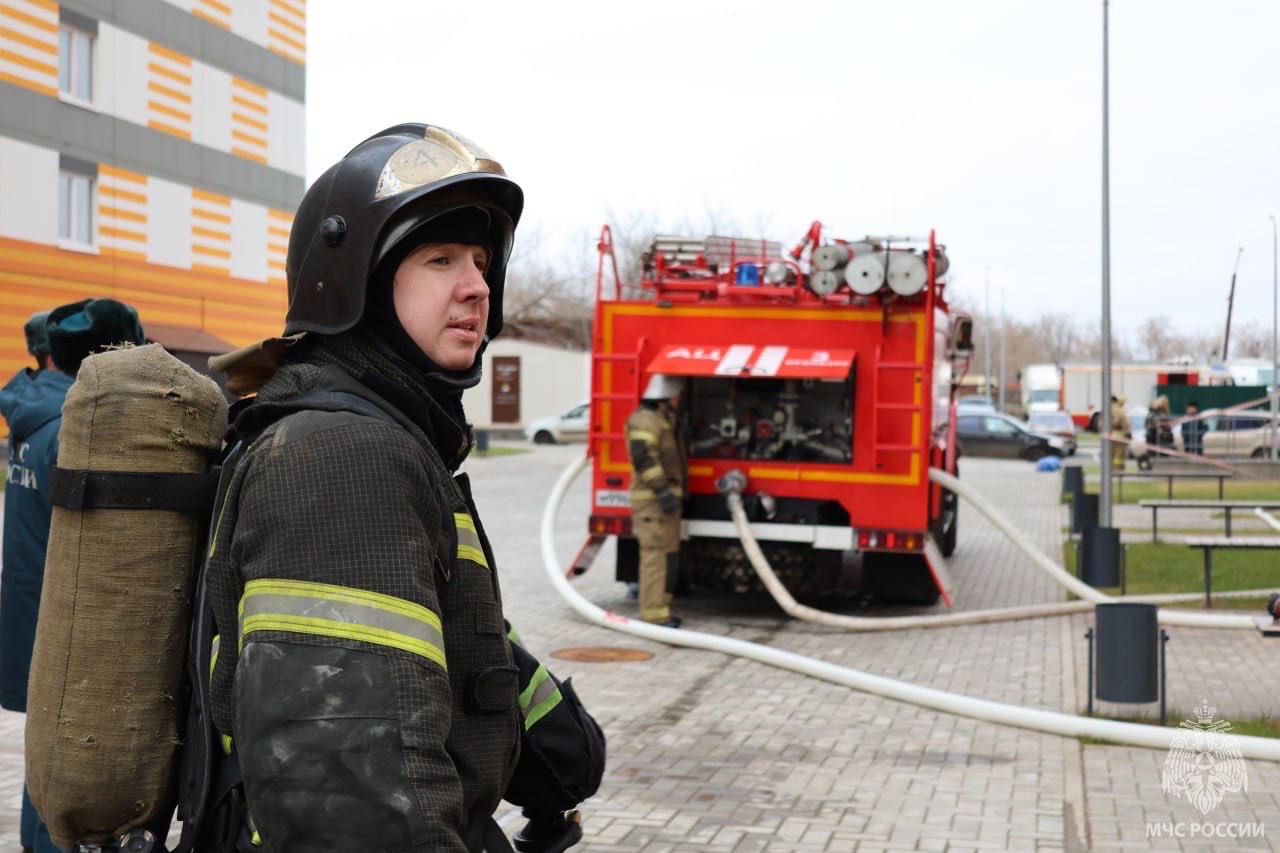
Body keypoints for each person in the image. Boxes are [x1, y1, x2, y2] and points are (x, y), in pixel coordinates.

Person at [204, 124, 553, 852]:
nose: (477, 287)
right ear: (356, 280)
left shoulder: (390, 437)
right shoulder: (342, 455)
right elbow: (354, 807)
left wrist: (563, 748)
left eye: (483, 262)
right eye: (440, 258)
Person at [1, 299, 145, 853]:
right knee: (66, 778)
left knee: (45, 763)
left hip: (29, 609)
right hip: (64, 624)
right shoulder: (75, 425)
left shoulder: (33, 412)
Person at [625, 373, 687, 628]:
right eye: (676, 396)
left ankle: (663, 609)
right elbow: (644, 458)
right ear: (666, 396)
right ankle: (652, 614)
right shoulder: (644, 419)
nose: (679, 400)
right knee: (655, 555)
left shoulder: (663, 418)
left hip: (667, 499)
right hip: (652, 500)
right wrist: (661, 490)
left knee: (669, 554)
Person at [1109, 395, 1130, 470]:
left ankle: (1109, 470)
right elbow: (1126, 424)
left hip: (1109, 435)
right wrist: (1128, 434)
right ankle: (1118, 470)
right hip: (1120, 435)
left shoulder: (1106, 409)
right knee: (1119, 455)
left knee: (1110, 454)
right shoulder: (1120, 410)